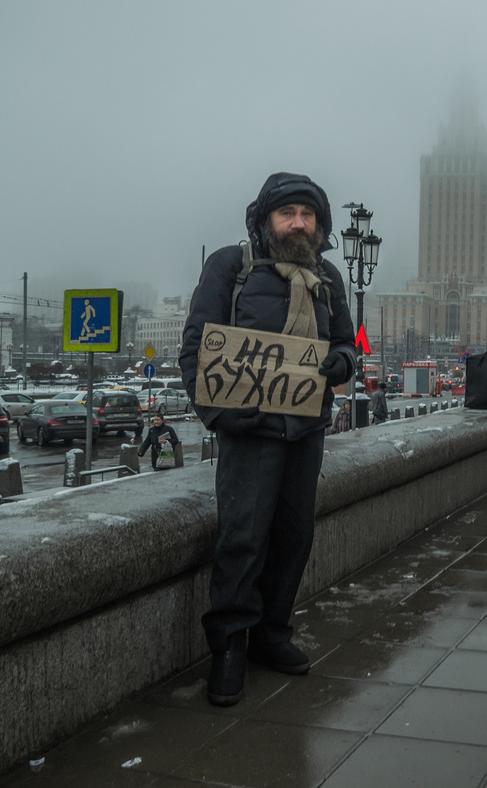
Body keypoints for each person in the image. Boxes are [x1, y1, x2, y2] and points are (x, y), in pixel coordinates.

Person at [180, 172, 357, 707]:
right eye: (288, 214)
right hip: (249, 432)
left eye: (308, 215)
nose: (299, 223)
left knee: (293, 537)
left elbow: (348, 344)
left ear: (319, 226)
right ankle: (229, 648)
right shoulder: (231, 267)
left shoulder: (326, 275)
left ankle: (272, 634)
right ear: (265, 221)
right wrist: (219, 413)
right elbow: (196, 348)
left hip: (306, 430)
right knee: (243, 539)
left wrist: (341, 361)